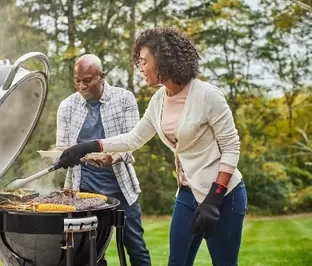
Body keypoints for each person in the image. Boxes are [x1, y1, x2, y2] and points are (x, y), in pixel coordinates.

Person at [57, 28, 248, 266]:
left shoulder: (208, 95)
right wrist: (87, 147)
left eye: (144, 61)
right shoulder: (159, 100)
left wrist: (214, 198)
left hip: (223, 195)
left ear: (163, 60)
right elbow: (133, 139)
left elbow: (231, 147)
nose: (140, 68)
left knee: (225, 263)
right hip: (187, 193)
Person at [55, 54, 151, 266]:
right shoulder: (67, 107)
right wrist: (60, 156)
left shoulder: (124, 99)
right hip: (83, 191)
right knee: (90, 251)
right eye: (77, 80)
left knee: (135, 246)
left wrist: (115, 157)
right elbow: (62, 147)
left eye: (87, 80)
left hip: (121, 188)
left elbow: (132, 142)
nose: (81, 86)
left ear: (101, 76)